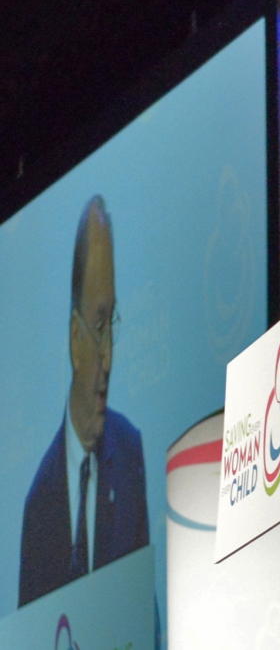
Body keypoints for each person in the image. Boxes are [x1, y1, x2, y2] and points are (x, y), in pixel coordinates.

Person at [19, 195, 149, 606]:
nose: (109, 358)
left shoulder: (129, 452)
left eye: (112, 323)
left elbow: (144, 612)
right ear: (75, 340)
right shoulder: (38, 503)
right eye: (98, 325)